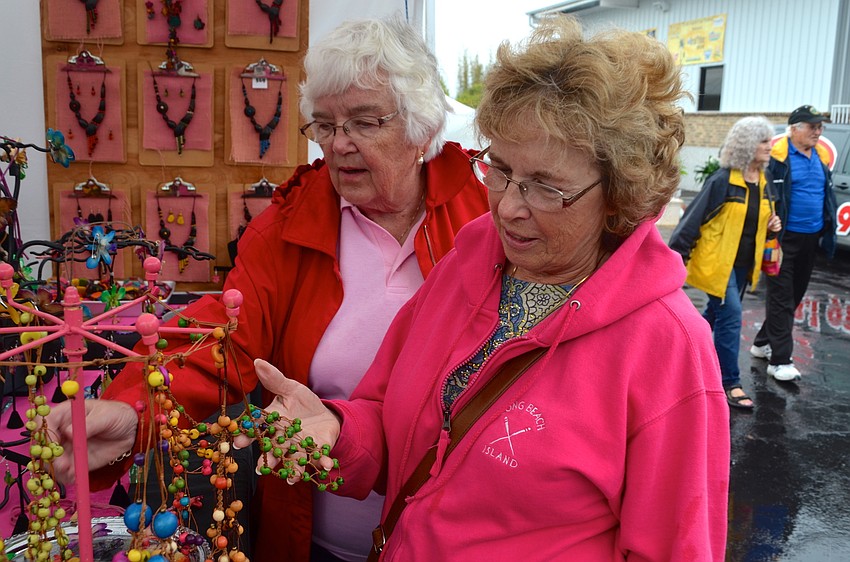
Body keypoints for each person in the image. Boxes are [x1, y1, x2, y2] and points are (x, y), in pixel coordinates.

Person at [247, 16, 730, 560]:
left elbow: (674, 547)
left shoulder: (668, 348)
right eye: (498, 170)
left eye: (547, 188)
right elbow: (389, 414)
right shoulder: (469, 265)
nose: (508, 206)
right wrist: (336, 430)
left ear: (621, 196)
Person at [48, 17, 489, 562]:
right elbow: (223, 337)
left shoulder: (488, 219)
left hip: (452, 539)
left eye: (363, 122)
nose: (339, 145)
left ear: (422, 126)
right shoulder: (290, 225)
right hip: (319, 536)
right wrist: (135, 407)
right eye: (325, 125)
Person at [669, 116, 782, 409]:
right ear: (746, 145)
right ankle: (728, 382)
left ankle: (681, 350)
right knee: (731, 315)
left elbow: (755, 221)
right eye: (763, 141)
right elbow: (691, 220)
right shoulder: (722, 180)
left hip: (746, 264)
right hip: (718, 264)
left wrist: (772, 226)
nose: (770, 146)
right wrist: (675, 259)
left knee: (716, 315)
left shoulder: (765, 182)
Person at [750, 105, 837, 381]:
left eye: (820, 127)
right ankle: (780, 360)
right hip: (782, 238)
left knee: (795, 295)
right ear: (794, 128)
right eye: (812, 127)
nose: (818, 132)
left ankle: (762, 342)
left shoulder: (820, 157)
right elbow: (763, 194)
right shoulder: (777, 158)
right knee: (781, 297)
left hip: (810, 239)